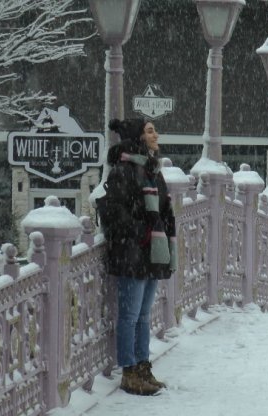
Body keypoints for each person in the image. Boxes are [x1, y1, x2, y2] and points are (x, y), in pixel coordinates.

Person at [98, 118, 176, 396]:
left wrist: (162, 233)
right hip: (132, 252)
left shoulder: (152, 169)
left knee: (143, 316)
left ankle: (143, 366)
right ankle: (129, 371)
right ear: (138, 138)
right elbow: (117, 213)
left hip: (151, 251)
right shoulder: (124, 171)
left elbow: (164, 207)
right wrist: (144, 233)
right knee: (129, 316)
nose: (156, 134)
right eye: (150, 130)